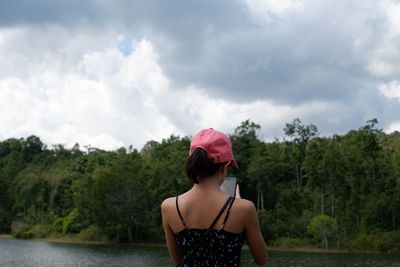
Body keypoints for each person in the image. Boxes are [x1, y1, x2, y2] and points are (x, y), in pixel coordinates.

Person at [161, 128, 268, 266]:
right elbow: (262, 260)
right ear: (225, 166)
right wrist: (237, 204)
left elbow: (179, 262)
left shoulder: (169, 207)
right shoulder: (245, 209)